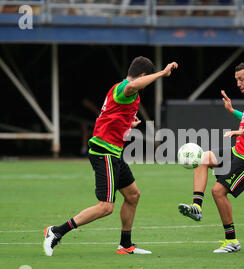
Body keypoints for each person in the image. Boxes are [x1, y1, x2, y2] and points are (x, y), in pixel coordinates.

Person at [43, 57, 179, 256]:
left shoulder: (125, 92)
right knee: (105, 207)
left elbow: (110, 114)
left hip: (114, 152)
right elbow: (132, 85)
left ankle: (125, 245)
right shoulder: (124, 88)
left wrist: (126, 123)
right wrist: (162, 73)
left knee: (133, 196)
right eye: (147, 78)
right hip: (104, 152)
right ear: (143, 76)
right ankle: (56, 231)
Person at [178, 62, 244, 253]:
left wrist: (242, 131)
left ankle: (231, 241)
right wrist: (233, 112)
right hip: (240, 151)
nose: (238, 83)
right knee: (203, 157)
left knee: (218, 191)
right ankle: (196, 206)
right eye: (236, 80)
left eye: (241, 79)